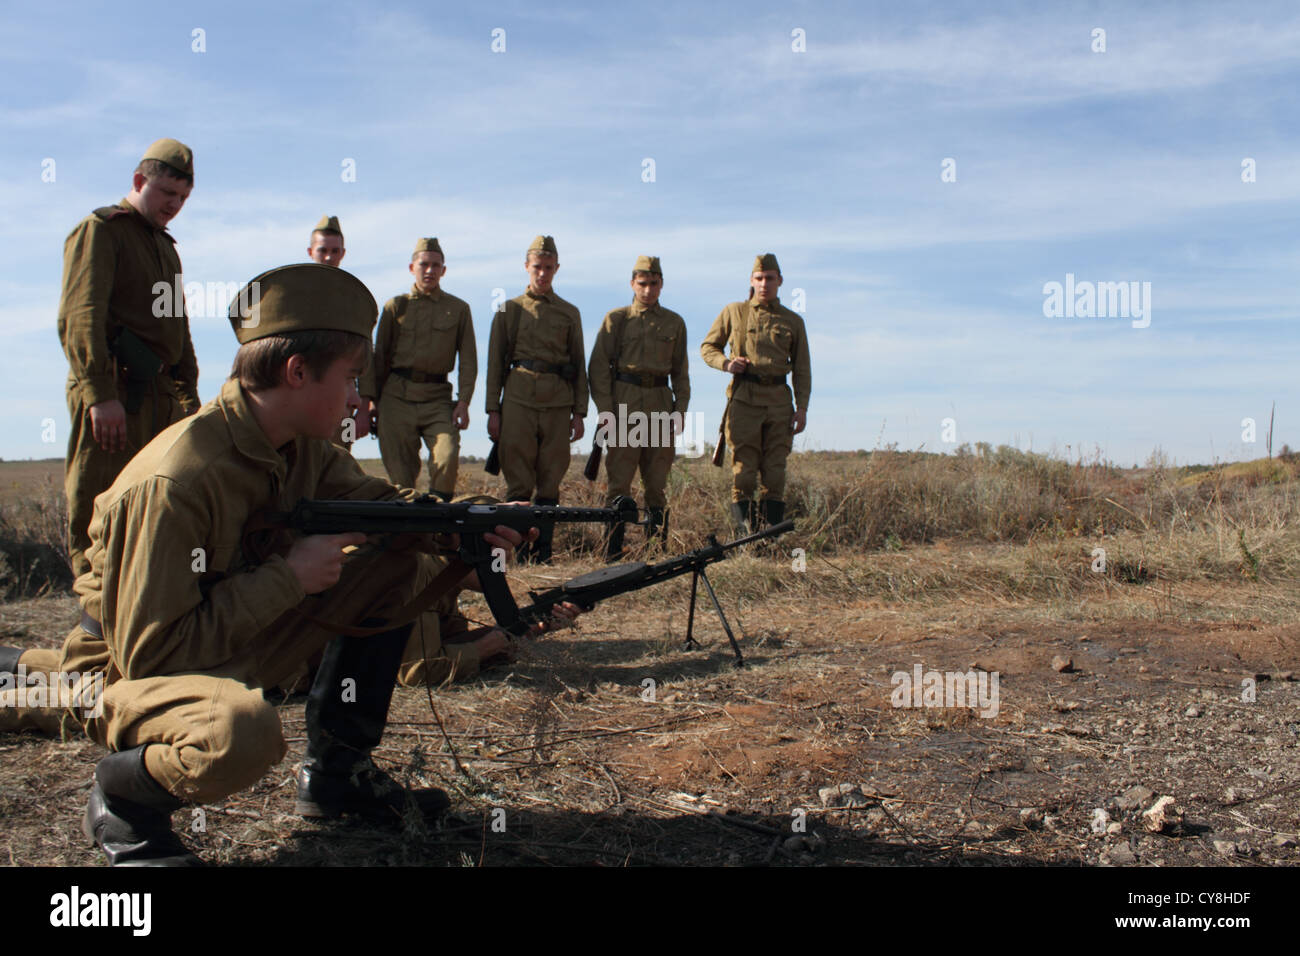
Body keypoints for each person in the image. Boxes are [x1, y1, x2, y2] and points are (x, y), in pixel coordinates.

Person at [5, 263, 547, 866]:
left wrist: (470, 520)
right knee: (239, 731)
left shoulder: (302, 447)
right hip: (127, 666)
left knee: (391, 560)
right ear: (296, 372)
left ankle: (339, 775)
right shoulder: (177, 480)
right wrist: (288, 577)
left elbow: (385, 510)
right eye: (348, 379)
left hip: (225, 638)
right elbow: (150, 658)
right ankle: (125, 800)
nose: (354, 398)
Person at [58, 138, 200, 578]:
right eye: (166, 193)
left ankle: (133, 610)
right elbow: (81, 316)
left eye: (182, 198)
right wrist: (100, 395)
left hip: (159, 397)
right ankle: (92, 623)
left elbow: (178, 328)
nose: (174, 205)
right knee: (99, 507)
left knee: (148, 509)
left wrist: (190, 400)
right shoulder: (102, 230)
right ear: (139, 181)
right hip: (113, 390)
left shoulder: (166, 248)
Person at [485, 235, 588, 562]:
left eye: (548, 268)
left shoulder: (569, 313)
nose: (542, 274)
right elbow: (495, 361)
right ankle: (516, 551)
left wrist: (579, 411)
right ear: (526, 267)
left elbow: (579, 362)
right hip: (517, 397)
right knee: (518, 480)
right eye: (536, 267)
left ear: (556, 268)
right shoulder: (509, 309)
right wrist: (493, 409)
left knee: (550, 479)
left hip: (558, 400)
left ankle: (542, 553)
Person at [700, 253, 811, 533]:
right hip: (744, 400)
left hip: (778, 402)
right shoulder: (734, 311)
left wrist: (802, 408)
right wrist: (727, 364)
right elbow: (708, 348)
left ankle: (770, 541)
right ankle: (744, 542)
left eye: (770, 278)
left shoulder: (793, 321)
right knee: (744, 475)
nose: (764, 284)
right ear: (752, 280)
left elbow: (802, 369)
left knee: (775, 475)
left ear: (780, 281)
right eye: (759, 278)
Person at [588, 255, 690, 559]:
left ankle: (656, 550)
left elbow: (681, 372)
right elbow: (597, 368)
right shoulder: (617, 319)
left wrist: (680, 410)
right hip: (625, 405)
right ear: (632, 284)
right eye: (642, 284)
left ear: (661, 284)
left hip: (660, 404)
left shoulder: (674, 322)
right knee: (619, 483)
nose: (648, 290)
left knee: (656, 485)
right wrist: (605, 411)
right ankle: (613, 550)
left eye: (654, 284)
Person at [361, 238, 476, 498]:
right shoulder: (395, 307)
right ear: (412, 267)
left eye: (436, 265)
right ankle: (409, 534)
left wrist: (464, 402)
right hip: (396, 397)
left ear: (443, 270)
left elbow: (468, 361)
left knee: (446, 459)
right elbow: (379, 359)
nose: (429, 271)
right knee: (401, 478)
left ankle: (440, 529)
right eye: (424, 264)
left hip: (437, 398)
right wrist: (372, 402)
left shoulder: (458, 309)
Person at [306, 215, 369, 453]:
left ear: (343, 253)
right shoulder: (296, 294)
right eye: (323, 250)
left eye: (335, 250)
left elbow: (364, 355)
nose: (329, 257)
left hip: (344, 395)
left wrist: (364, 406)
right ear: (310, 251)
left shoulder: (354, 298)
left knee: (342, 454)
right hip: (305, 392)